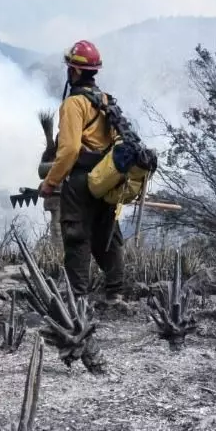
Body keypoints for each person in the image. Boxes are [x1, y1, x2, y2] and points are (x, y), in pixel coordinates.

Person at [39, 40, 124, 302]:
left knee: (76, 235)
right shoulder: (106, 101)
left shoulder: (74, 104)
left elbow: (70, 150)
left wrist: (51, 182)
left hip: (80, 180)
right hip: (106, 177)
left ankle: (77, 299)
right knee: (106, 231)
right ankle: (116, 292)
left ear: (74, 72)